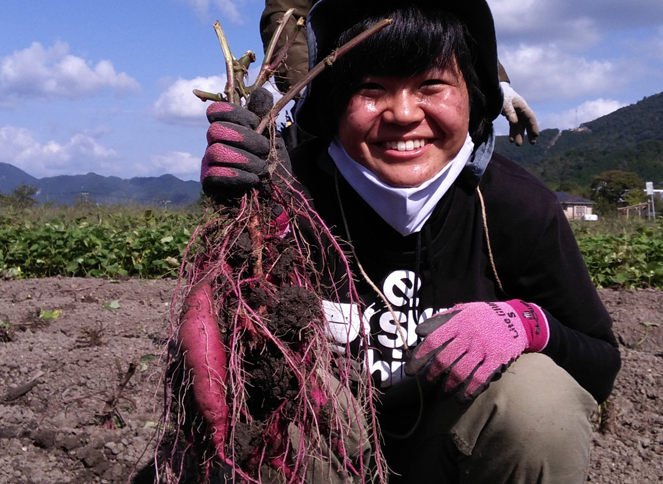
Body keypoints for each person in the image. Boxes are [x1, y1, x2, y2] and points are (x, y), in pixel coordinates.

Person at [200, 0, 621, 482]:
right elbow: (222, 345)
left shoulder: (514, 205)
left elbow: (600, 364)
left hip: (452, 453)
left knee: (540, 401)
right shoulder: (293, 193)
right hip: (330, 453)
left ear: (473, 96)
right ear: (333, 99)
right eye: (371, 89)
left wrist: (529, 326)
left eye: (432, 86)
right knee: (261, 387)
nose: (403, 114)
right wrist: (240, 210)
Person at [260, 0, 540, 147]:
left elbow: (453, 22)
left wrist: (495, 81)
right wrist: (310, 88)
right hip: (344, 80)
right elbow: (285, 18)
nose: (404, 114)